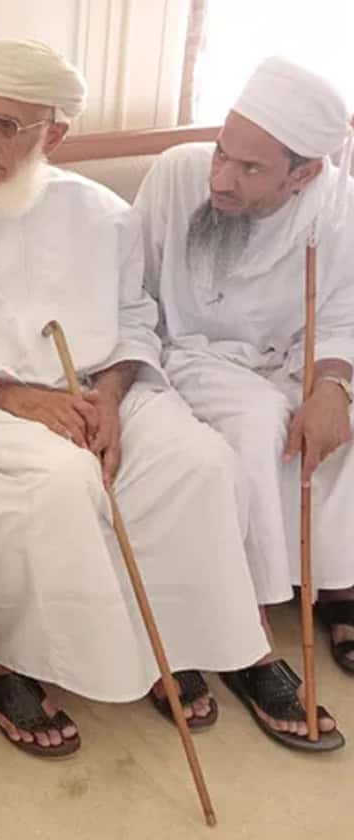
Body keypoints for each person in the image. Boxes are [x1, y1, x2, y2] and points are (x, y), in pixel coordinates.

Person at [0, 40, 270, 758]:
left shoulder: (104, 214)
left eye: (8, 126)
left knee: (199, 464)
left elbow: (135, 322)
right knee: (64, 481)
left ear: (53, 135)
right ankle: (9, 665)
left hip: (102, 388)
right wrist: (20, 397)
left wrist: (112, 399)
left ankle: (170, 641)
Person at [134, 55, 354, 751]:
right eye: (222, 154)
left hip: (291, 362)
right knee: (260, 425)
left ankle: (338, 584)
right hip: (188, 355)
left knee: (334, 421)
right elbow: (130, 289)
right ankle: (250, 635)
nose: (222, 179)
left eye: (250, 169)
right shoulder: (177, 174)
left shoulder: (340, 208)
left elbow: (343, 317)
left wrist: (333, 386)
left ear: (303, 174)